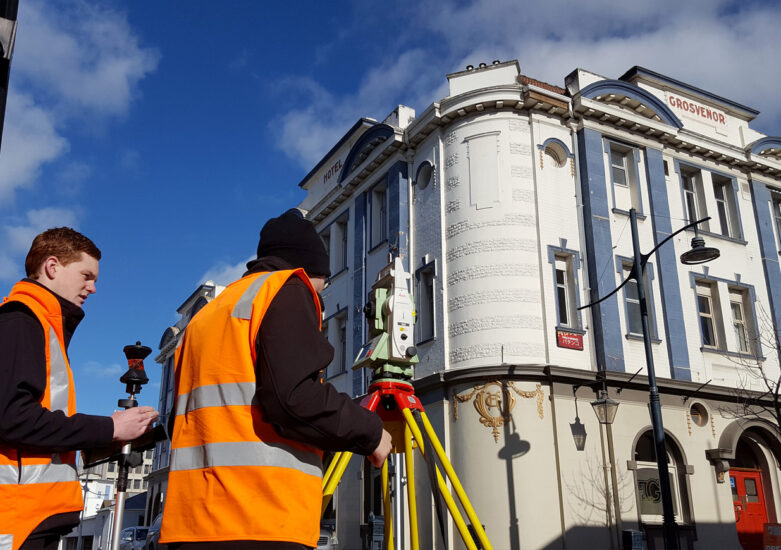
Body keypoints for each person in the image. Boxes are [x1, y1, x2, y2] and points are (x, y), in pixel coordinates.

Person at [160, 209, 392, 550]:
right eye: (321, 289)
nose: (320, 301)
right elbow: (294, 397)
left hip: (193, 524)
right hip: (260, 516)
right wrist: (370, 432)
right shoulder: (285, 287)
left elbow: (176, 421)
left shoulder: (207, 316)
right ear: (307, 269)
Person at [0, 227, 159, 550]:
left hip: (30, 515)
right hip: (16, 515)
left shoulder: (42, 326)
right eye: (86, 275)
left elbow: (36, 435)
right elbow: (12, 417)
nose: (93, 288)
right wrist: (109, 427)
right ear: (52, 266)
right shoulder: (21, 321)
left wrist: (113, 438)